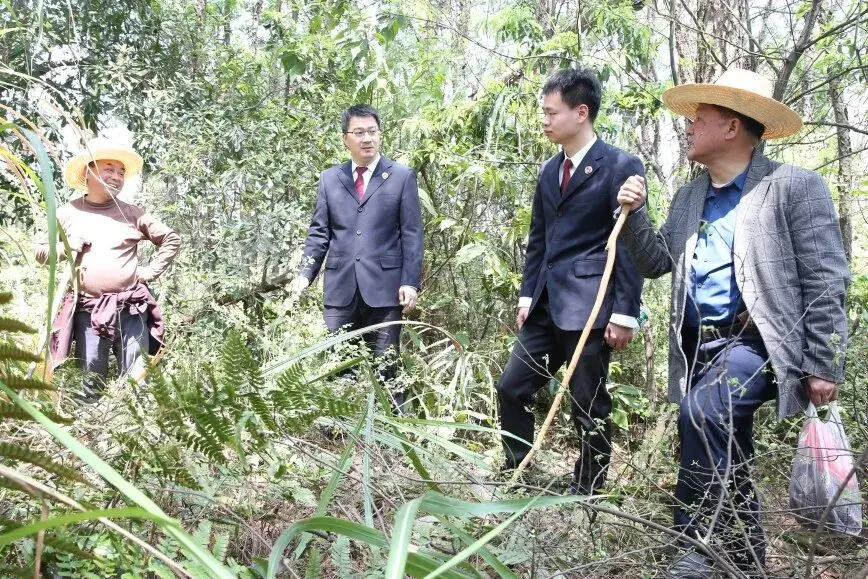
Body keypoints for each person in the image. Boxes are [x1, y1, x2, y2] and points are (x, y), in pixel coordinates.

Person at [616, 69, 849, 576]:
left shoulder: (793, 187)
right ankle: (746, 561)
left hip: (758, 345)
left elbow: (826, 277)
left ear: (731, 127)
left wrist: (824, 362)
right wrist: (635, 213)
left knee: (701, 413)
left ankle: (695, 550)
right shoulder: (690, 196)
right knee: (725, 446)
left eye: (700, 118)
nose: (689, 127)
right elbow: (656, 262)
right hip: (698, 349)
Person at [496, 67, 644, 494]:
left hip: (591, 307)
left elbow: (631, 243)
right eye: (543, 112)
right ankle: (518, 471)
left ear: (581, 113)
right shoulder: (549, 170)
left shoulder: (620, 165)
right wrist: (527, 295)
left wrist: (625, 313)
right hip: (545, 305)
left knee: (587, 402)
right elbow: (538, 238)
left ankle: (588, 489)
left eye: (551, 112)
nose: (544, 120)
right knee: (511, 387)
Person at [291, 104, 423, 409]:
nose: (367, 139)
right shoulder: (330, 179)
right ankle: (339, 429)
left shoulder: (401, 176)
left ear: (380, 134)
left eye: (372, 131)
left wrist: (410, 282)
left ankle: (393, 430)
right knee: (339, 369)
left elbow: (412, 233)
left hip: (385, 291)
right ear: (345, 138)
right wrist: (304, 274)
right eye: (359, 132)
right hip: (340, 291)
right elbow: (319, 233)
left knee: (387, 369)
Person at [37, 137, 181, 401]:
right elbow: (40, 252)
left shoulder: (132, 213)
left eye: (121, 172)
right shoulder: (67, 213)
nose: (117, 177)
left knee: (138, 379)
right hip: (88, 311)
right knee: (89, 380)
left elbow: (171, 238)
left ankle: (138, 422)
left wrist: (151, 271)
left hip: (131, 309)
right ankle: (88, 422)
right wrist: (65, 247)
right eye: (109, 169)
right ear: (88, 172)